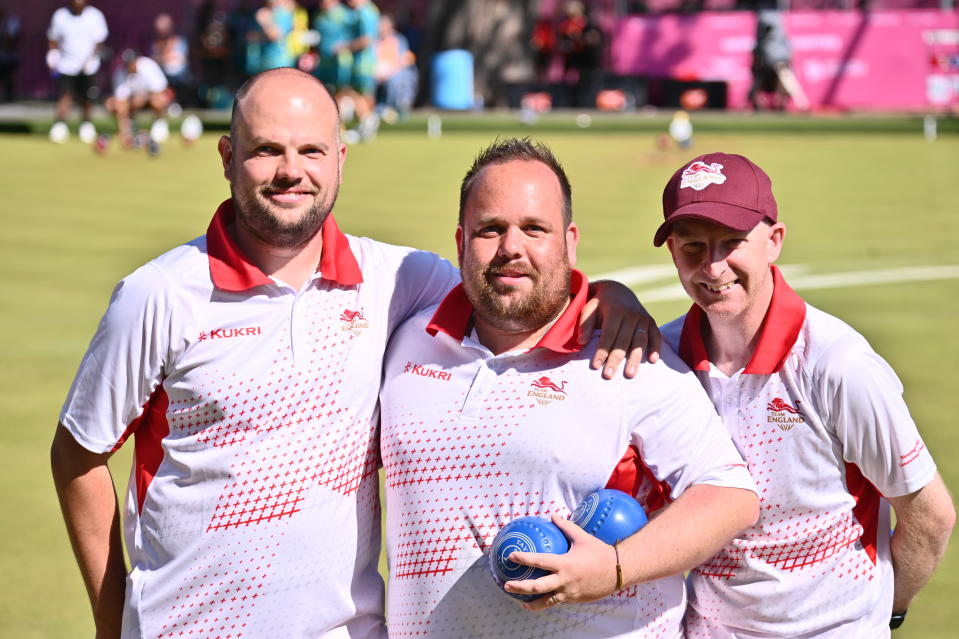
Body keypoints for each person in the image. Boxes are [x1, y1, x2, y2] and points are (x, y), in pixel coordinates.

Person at [50, 67, 660, 639]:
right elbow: (77, 455)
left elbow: (513, 286)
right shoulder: (157, 295)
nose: (291, 170)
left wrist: (607, 293)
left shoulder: (397, 279)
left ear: (339, 159)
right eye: (267, 150)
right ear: (229, 157)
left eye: (311, 150)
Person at [377, 138, 761, 637]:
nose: (511, 247)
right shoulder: (407, 339)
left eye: (534, 229)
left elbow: (730, 494)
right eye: (490, 229)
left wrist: (615, 568)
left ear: (570, 241)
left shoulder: (629, 357)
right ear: (460, 241)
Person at [651, 152, 955, 637]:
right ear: (672, 252)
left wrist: (886, 612)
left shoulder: (837, 363)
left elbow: (930, 515)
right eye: (692, 247)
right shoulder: (661, 360)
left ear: (773, 242)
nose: (713, 266)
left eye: (732, 243)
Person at [46, 0, 108, 144]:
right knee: (65, 94)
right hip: (66, 65)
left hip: (88, 65)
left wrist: (91, 58)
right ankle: (60, 125)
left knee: (87, 97)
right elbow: (53, 39)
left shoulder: (95, 16)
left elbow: (99, 41)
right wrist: (53, 55)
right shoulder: (60, 15)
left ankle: (86, 124)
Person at [107, 49, 171, 148]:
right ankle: (130, 129)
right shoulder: (120, 73)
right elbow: (121, 101)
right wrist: (123, 132)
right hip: (133, 102)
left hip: (151, 98)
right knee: (112, 105)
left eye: (132, 62)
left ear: (137, 61)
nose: (130, 65)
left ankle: (159, 123)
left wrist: (141, 98)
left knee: (159, 100)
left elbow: (159, 90)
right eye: (128, 63)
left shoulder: (148, 66)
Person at [342, 0, 380, 140]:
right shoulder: (362, 11)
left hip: (363, 62)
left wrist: (346, 46)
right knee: (357, 92)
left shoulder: (366, 12)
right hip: (360, 61)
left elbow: (366, 39)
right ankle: (365, 124)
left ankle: (367, 123)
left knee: (362, 93)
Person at [373, 13, 416, 121]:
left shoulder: (399, 40)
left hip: (395, 70)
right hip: (377, 71)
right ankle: (377, 109)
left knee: (398, 79)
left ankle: (397, 107)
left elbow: (405, 59)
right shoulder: (374, 41)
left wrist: (391, 70)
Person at [151, 13, 193, 109]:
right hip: (162, 80)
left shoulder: (180, 42)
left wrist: (162, 58)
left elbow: (180, 63)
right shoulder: (154, 46)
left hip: (179, 81)